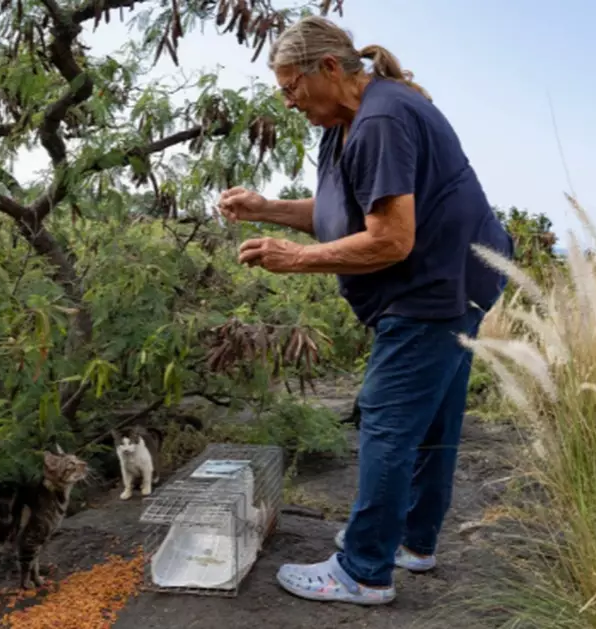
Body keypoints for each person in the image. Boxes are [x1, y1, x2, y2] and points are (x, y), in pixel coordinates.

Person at [217, 16, 513, 606]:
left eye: (291, 86)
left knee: (387, 419)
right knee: (433, 422)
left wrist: (295, 260)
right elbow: (340, 212)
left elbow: (391, 239)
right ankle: (411, 542)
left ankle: (363, 570)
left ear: (329, 68)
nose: (288, 101)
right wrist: (266, 208)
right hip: (460, 282)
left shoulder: (381, 119)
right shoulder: (348, 121)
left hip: (433, 289)